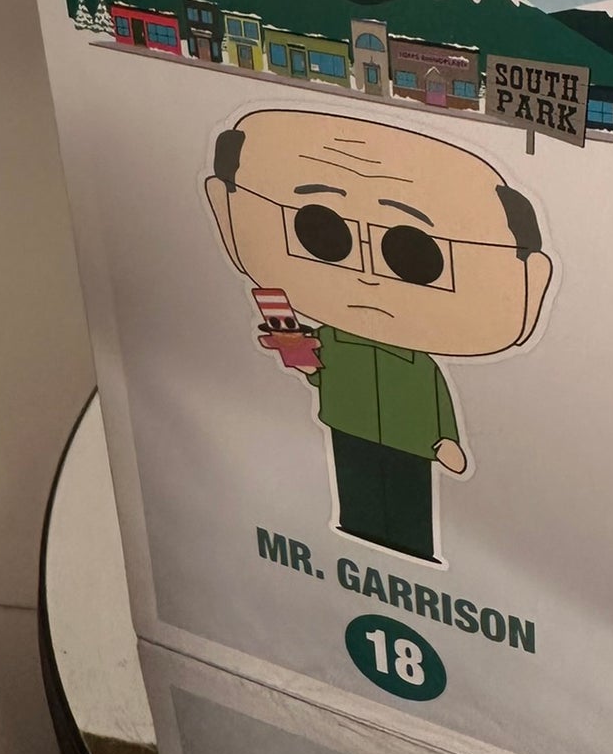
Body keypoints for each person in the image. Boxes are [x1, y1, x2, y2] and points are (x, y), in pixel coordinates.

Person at [205, 108, 554, 563]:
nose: (368, 276)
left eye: (415, 254)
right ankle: (361, 531)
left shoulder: (416, 362)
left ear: (529, 279)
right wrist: (298, 353)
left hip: (411, 440)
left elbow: (435, 396)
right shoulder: (335, 337)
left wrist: (444, 440)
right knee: (358, 488)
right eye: (320, 232)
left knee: (409, 497)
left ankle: (412, 548)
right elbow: (320, 372)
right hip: (347, 421)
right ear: (225, 208)